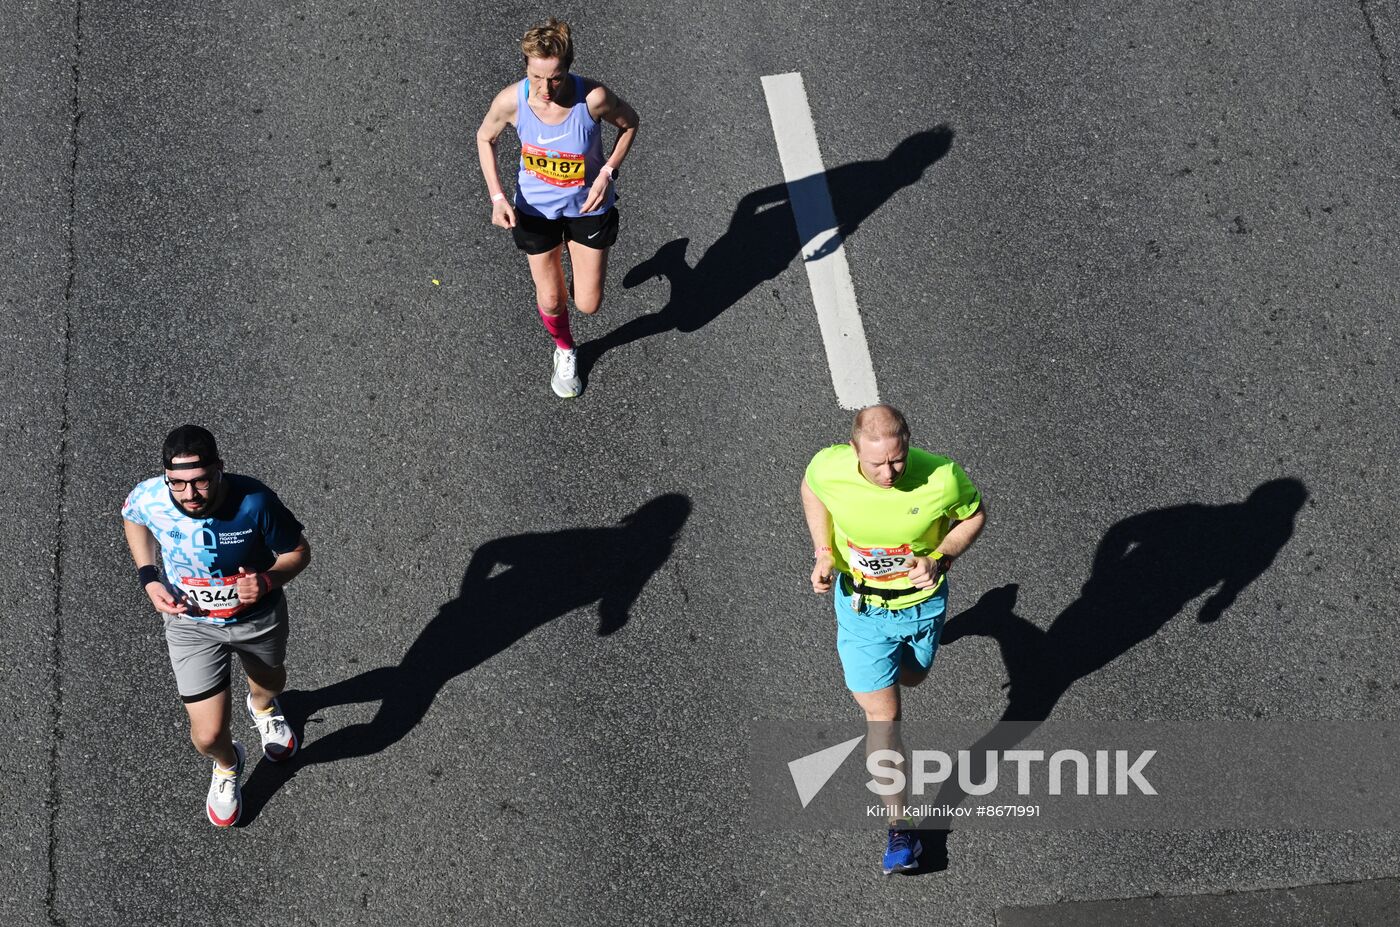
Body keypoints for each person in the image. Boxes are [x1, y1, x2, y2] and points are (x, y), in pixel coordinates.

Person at [800, 405, 986, 873]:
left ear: (908, 445)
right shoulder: (830, 467)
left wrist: (940, 559)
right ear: (853, 449)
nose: (888, 473)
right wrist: (823, 551)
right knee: (884, 719)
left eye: (897, 461)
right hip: (862, 611)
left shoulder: (943, 476)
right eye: (876, 464)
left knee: (916, 676)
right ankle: (901, 828)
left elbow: (975, 515)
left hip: (921, 607)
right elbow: (812, 488)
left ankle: (919, 651)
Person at [121, 425, 311, 827]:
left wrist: (266, 580)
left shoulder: (255, 501)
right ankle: (228, 764)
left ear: (219, 470)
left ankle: (262, 707)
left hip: (256, 619)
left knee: (271, 681)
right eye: (178, 484)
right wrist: (149, 576)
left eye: (200, 482)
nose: (189, 495)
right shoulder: (151, 497)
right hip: (191, 624)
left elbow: (297, 552)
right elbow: (133, 518)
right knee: (207, 736)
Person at [475, 18, 639, 399]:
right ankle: (565, 350)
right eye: (536, 77)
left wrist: (608, 173)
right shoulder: (510, 101)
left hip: (587, 208)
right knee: (551, 298)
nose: (545, 89)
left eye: (556, 78)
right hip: (535, 212)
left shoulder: (593, 98)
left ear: (568, 68)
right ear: (526, 68)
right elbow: (486, 137)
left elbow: (630, 124)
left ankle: (574, 268)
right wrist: (497, 196)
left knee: (588, 303)